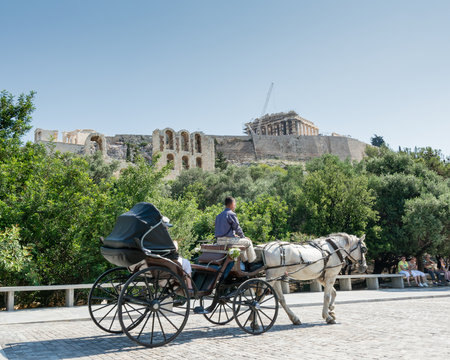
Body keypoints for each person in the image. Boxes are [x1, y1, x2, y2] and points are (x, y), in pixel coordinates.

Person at [214, 196, 257, 266]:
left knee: (241, 243)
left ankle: (245, 263)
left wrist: (233, 235)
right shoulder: (231, 214)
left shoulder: (218, 216)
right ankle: (252, 263)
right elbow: (237, 228)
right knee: (248, 242)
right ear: (231, 204)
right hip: (228, 241)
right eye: (235, 204)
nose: (235, 206)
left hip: (219, 241)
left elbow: (222, 230)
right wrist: (243, 237)